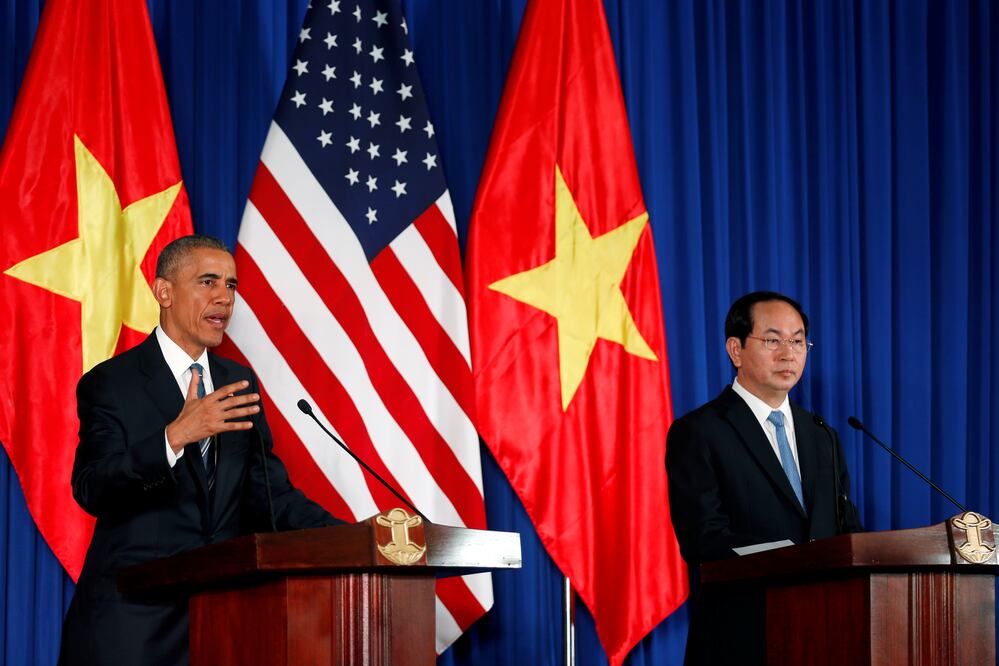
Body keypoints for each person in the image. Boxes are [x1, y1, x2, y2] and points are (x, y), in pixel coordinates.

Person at [59, 235, 341, 666]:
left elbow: (271, 497)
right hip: (133, 628)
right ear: (164, 291)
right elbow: (92, 487)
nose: (223, 298)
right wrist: (173, 437)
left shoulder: (237, 381)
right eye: (208, 282)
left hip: (223, 625)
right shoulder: (112, 383)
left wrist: (353, 536)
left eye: (230, 285)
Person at [666, 291, 862, 665]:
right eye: (773, 340)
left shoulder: (823, 435)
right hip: (741, 637)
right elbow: (703, 538)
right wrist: (789, 557)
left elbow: (845, 529)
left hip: (826, 636)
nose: (788, 353)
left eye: (798, 340)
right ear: (735, 350)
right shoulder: (700, 431)